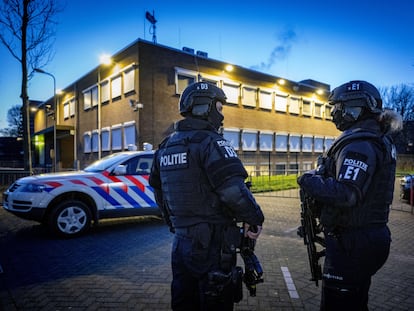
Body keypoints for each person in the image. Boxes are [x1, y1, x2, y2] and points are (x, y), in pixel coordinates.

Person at [149, 82, 265, 311]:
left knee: (184, 301)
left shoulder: (165, 146)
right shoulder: (212, 142)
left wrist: (173, 223)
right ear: (205, 108)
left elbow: (158, 190)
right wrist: (255, 218)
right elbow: (233, 190)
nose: (221, 115)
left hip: (181, 243)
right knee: (216, 300)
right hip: (212, 242)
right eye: (219, 108)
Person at [297, 80, 402, 310]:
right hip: (365, 238)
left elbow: (347, 194)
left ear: (355, 108)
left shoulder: (360, 145)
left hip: (354, 243)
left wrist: (307, 180)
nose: (334, 114)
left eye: (338, 107)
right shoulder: (375, 138)